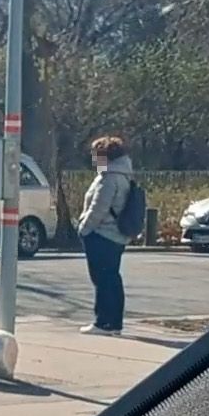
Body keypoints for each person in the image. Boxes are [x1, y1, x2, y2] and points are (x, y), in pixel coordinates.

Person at [76, 135, 134, 336]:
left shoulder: (108, 178)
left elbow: (98, 208)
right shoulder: (124, 175)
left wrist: (84, 228)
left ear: (104, 155)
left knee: (102, 279)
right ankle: (114, 323)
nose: (93, 159)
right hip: (116, 235)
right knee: (112, 279)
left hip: (102, 234)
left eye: (96, 155)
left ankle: (103, 322)